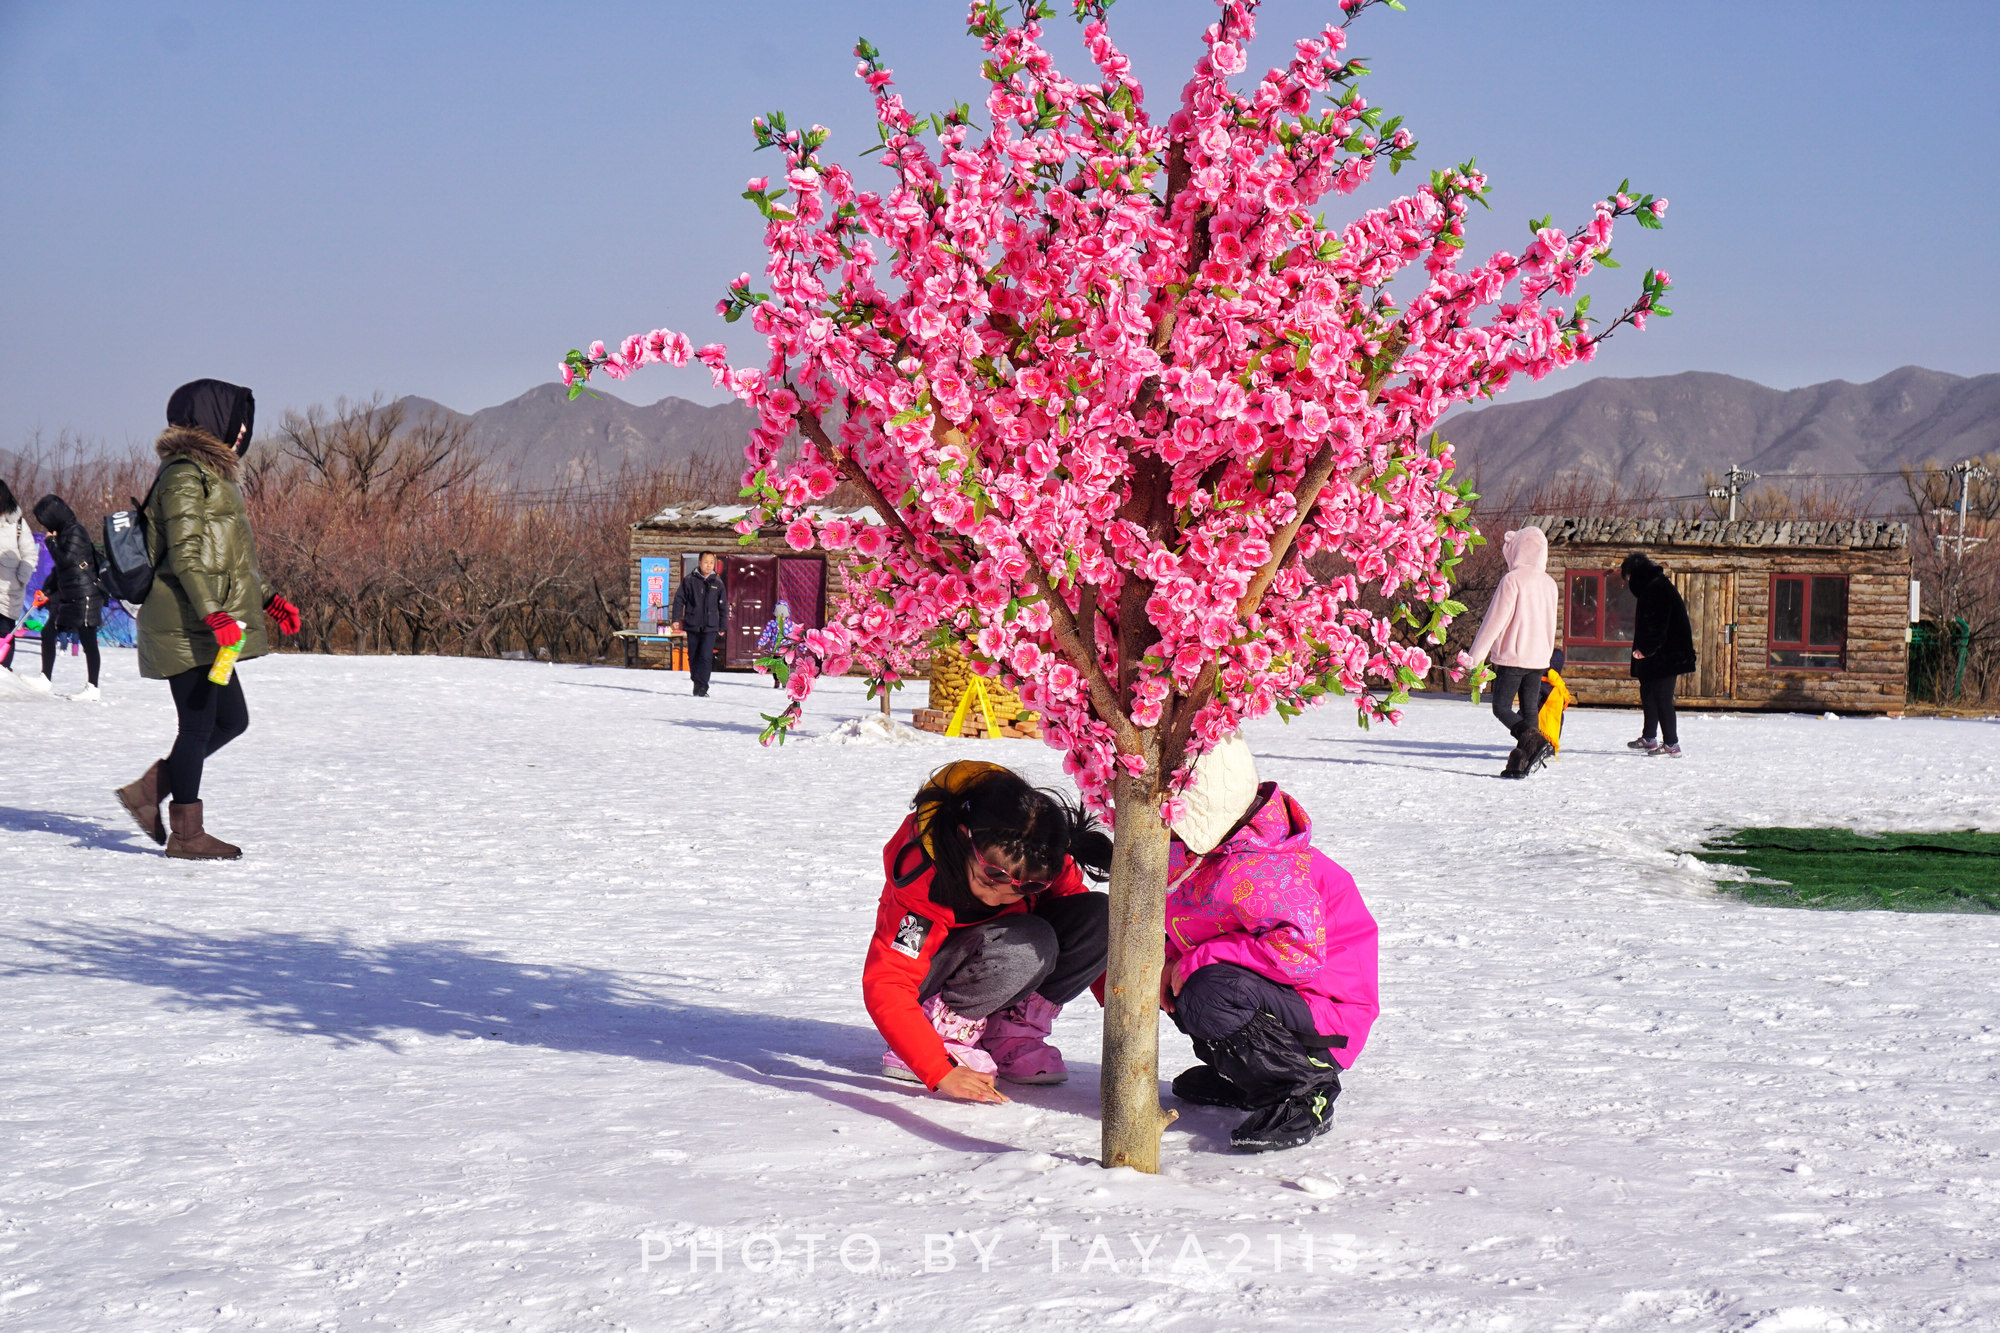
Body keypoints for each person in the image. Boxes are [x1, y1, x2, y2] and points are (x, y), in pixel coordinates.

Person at [1162, 736, 1379, 1152]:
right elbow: (1192, 921)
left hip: (1325, 1016)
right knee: (1186, 982)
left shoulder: (1267, 868)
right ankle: (1249, 1077)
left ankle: (1301, 1087)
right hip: (1279, 998)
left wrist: (1193, 961)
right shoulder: (1214, 851)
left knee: (1211, 990)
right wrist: (1172, 958)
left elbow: (1297, 956)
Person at [114, 379, 301, 860]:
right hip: (183, 624)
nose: (243, 433)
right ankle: (187, 835)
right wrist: (215, 615)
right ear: (212, 421)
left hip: (213, 627)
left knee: (232, 720)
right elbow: (187, 556)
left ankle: (147, 791)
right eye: (238, 424)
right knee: (197, 726)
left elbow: (230, 563)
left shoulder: (215, 477)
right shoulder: (182, 475)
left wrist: (270, 601)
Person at [864, 760, 1111, 1101]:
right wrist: (939, 1069)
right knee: (1027, 942)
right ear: (967, 840)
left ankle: (1012, 1033)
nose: (1003, 893)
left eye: (1028, 887)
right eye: (993, 876)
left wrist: (1116, 992)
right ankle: (944, 1035)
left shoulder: (1040, 856)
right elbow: (888, 982)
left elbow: (1085, 929)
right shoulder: (923, 880)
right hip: (933, 981)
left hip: (1003, 965)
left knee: (1100, 915)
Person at [1462, 526, 1560, 778]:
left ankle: (1534, 742)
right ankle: (1521, 762)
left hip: (1513, 656)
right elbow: (1551, 623)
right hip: (1539, 658)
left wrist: (1475, 657)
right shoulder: (1550, 583)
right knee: (1529, 710)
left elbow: (1494, 621)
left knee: (1501, 707)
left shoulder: (1512, 580)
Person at [29, 493, 105, 701]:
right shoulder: (63, 533)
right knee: (48, 632)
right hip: (68, 595)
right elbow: (60, 572)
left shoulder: (76, 532)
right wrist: (47, 589)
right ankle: (45, 677)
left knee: (88, 641)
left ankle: (93, 687)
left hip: (85, 595)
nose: (45, 527)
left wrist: (51, 543)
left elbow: (66, 560)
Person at [1621, 552, 1696, 757]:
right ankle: (1649, 737)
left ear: (1633, 575)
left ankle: (1672, 744)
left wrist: (1646, 650)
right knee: (1649, 693)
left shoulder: (1656, 588)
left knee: (1662, 697)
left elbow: (1658, 624)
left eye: (1627, 579)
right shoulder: (1653, 586)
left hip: (1667, 654)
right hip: (1659, 653)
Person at [668, 552, 726, 697]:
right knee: (693, 656)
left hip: (710, 626)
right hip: (692, 623)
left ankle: (703, 687)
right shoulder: (689, 580)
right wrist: (676, 619)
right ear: (699, 562)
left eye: (711, 563)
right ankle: (696, 682)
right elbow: (679, 600)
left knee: (706, 656)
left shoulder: (717, 583)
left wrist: (722, 626)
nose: (708, 565)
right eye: (706, 562)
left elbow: (723, 606)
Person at [0, 479, 37, 675]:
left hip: (9, 591)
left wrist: (22, 577)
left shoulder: (18, 523)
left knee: (5, 633)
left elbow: (30, 554)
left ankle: (3, 672)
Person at [754, 597, 795, 688]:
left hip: (786, 650)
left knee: (784, 665)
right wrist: (761, 643)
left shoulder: (791, 625)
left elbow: (796, 636)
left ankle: (784, 681)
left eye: (783, 615)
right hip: (774, 650)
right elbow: (766, 634)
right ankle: (776, 680)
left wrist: (802, 647)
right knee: (775, 666)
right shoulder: (772, 624)